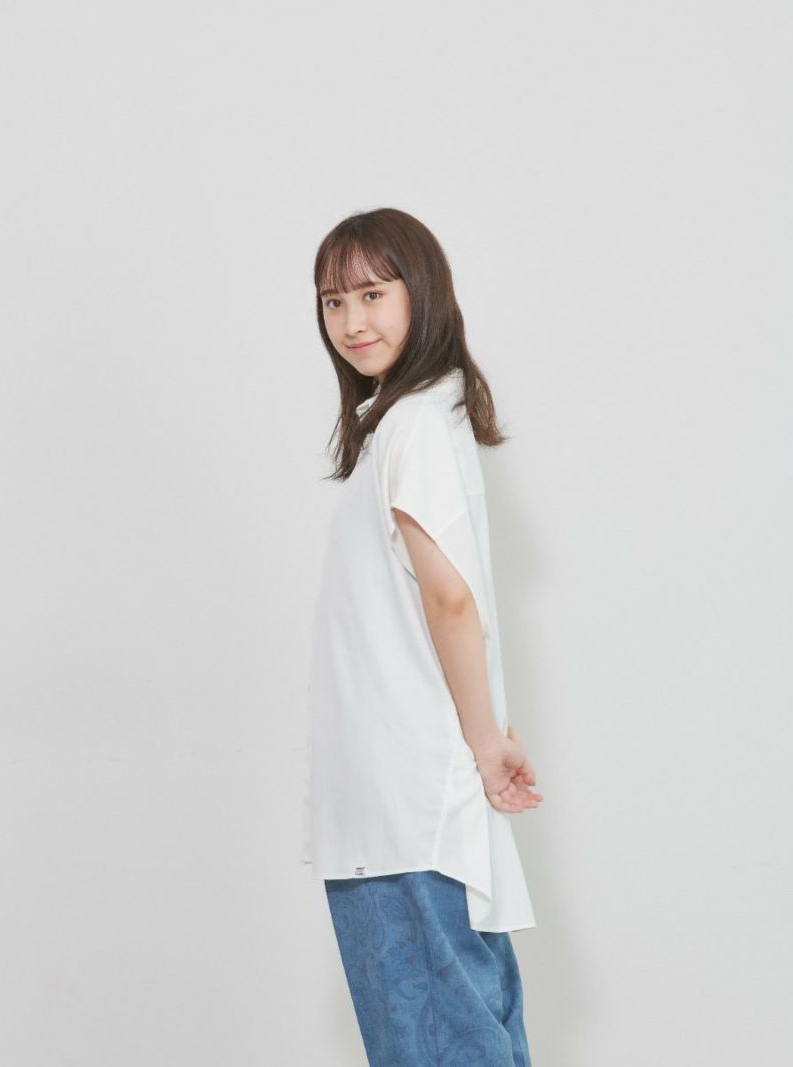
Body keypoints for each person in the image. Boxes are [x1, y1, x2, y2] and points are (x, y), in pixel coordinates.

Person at [301, 206, 544, 1066]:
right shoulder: (407, 421)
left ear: (423, 293)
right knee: (469, 1028)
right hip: (401, 807)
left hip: (404, 808)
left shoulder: (410, 425)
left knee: (437, 1041)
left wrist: (485, 745)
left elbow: (450, 598)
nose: (351, 320)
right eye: (334, 301)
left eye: (373, 293)